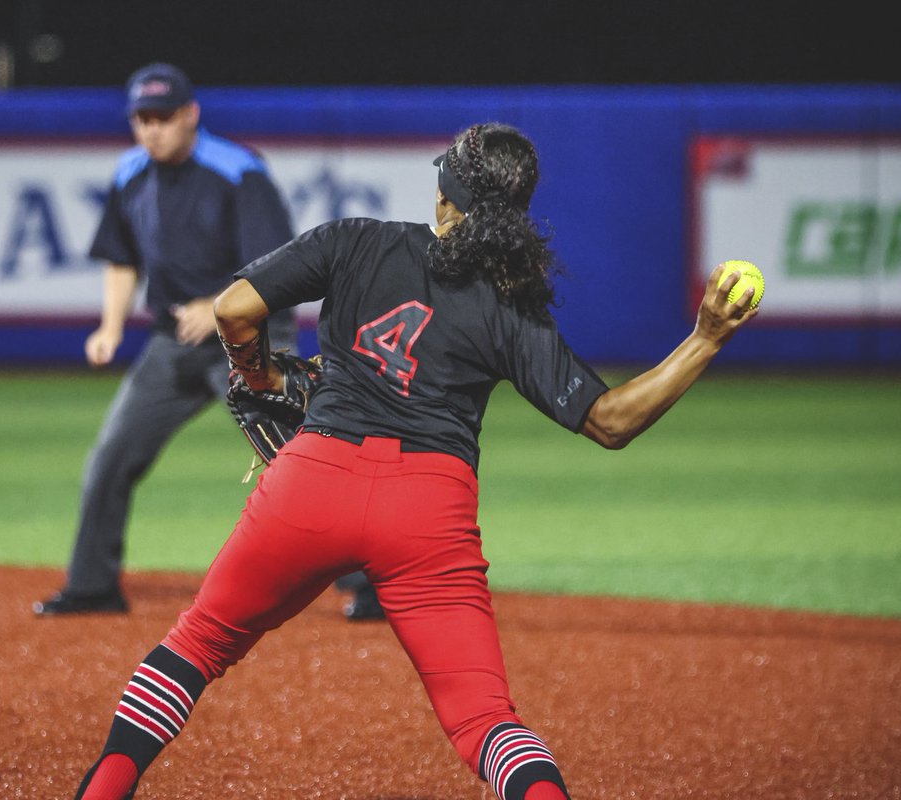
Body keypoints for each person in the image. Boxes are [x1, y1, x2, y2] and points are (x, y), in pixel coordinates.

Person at [67, 122, 758, 800]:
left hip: (313, 480)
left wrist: (257, 378)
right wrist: (704, 339)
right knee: (485, 721)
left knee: (195, 649)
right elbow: (611, 422)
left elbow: (233, 308)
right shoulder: (513, 303)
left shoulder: (355, 240)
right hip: (429, 510)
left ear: (443, 197)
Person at [34, 62, 299, 616]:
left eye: (162, 117)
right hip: (174, 339)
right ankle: (92, 587)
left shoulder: (237, 170)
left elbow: (277, 266)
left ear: (190, 115)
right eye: (141, 118)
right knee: (111, 458)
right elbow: (121, 258)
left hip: (251, 339)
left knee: (307, 460)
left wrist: (216, 307)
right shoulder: (130, 172)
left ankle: (372, 588)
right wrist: (109, 326)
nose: (151, 129)